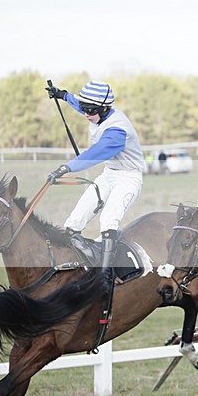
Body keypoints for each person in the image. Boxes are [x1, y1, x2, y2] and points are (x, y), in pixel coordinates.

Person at [45, 80, 144, 272]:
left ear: (106, 108)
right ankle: (83, 265)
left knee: (108, 220)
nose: (86, 114)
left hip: (128, 178)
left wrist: (67, 168)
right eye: (84, 109)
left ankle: (105, 274)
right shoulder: (95, 110)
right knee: (72, 224)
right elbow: (78, 102)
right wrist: (62, 94)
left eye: (90, 110)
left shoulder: (117, 131)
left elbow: (97, 152)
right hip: (109, 175)